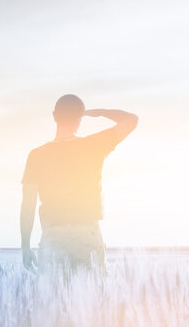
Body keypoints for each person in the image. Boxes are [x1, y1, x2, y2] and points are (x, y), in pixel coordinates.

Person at [20, 94, 138, 271]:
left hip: (54, 236)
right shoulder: (94, 145)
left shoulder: (36, 155)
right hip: (87, 233)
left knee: (53, 297)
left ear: (54, 116)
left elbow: (27, 206)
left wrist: (25, 246)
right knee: (93, 295)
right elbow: (131, 119)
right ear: (80, 118)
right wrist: (96, 112)